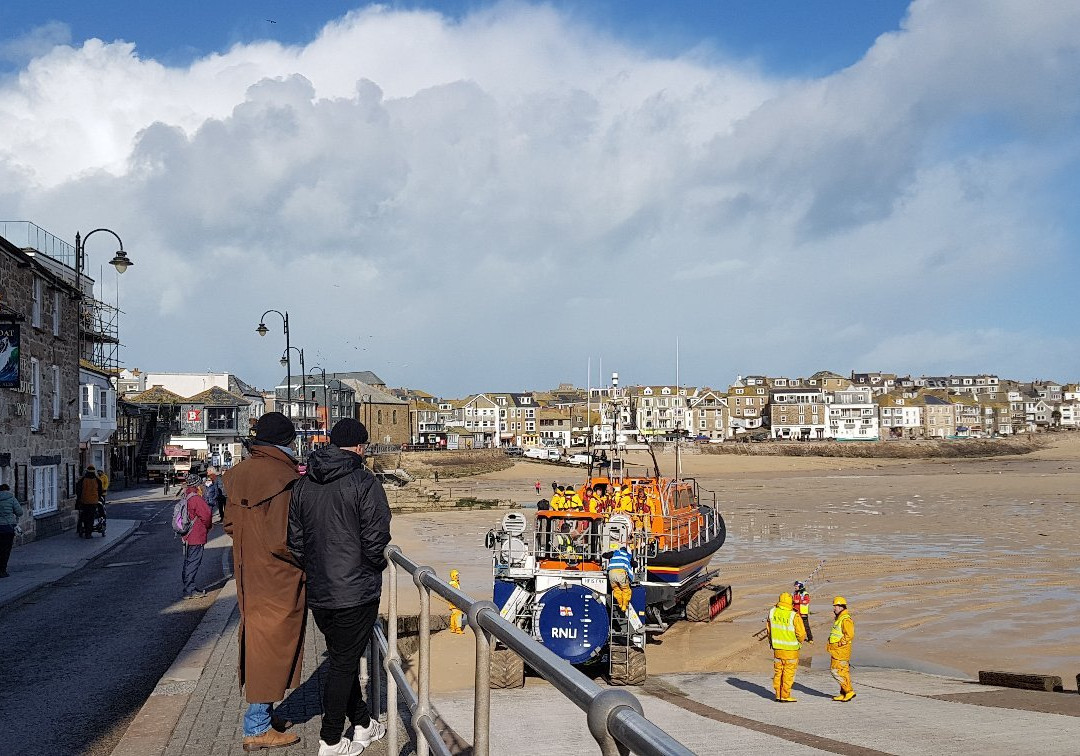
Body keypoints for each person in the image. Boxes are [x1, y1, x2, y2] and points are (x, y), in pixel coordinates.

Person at [287, 418, 390, 756]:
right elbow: (376, 539)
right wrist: (372, 566)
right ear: (360, 447)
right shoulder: (364, 482)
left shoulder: (304, 484)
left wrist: (317, 571)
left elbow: (296, 542)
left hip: (321, 590)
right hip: (355, 590)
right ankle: (330, 741)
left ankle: (362, 724)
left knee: (341, 660)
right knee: (343, 666)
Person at [222, 412, 305, 752]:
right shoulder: (283, 477)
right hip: (277, 574)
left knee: (259, 639)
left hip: (248, 569)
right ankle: (256, 726)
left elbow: (228, 524)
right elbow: (284, 538)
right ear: (287, 441)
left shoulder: (238, 474)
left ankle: (264, 716)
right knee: (273, 644)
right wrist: (306, 562)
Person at [766, 592, 807, 702]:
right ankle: (785, 695)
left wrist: (772, 642)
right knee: (788, 674)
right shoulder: (793, 615)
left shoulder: (772, 612)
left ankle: (778, 694)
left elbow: (769, 630)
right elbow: (801, 634)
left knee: (778, 672)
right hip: (791, 651)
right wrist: (799, 642)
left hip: (777, 650)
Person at [179, 473, 213, 600]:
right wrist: (208, 527)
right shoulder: (196, 499)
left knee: (188, 561)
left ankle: (189, 587)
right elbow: (207, 515)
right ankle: (190, 589)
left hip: (187, 534)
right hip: (196, 534)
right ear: (197, 485)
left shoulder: (186, 495)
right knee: (193, 562)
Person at [827, 596, 856, 702]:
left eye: (835, 606)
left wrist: (840, 643)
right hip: (837, 650)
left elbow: (850, 634)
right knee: (843, 671)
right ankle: (844, 693)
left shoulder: (845, 619)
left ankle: (849, 691)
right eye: (834, 606)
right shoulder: (840, 618)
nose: (834, 608)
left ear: (841, 607)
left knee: (836, 671)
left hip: (841, 650)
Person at [0, 483, 23, 578]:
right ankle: (2, 570)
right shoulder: (11, 498)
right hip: (8, 528)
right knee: (6, 549)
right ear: (8, 490)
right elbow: (19, 512)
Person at [606, 541, 634, 613]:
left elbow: (604, 555)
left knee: (616, 590)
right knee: (626, 590)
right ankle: (624, 606)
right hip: (621, 573)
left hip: (611, 573)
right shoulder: (628, 555)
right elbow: (635, 564)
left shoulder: (615, 553)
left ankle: (620, 604)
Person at [76, 466, 103, 538]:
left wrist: (80, 498)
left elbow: (78, 489)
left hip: (84, 501)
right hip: (93, 502)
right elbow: (100, 491)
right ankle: (88, 533)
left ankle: (84, 529)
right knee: (91, 517)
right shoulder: (97, 480)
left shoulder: (83, 480)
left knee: (84, 516)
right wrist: (98, 498)